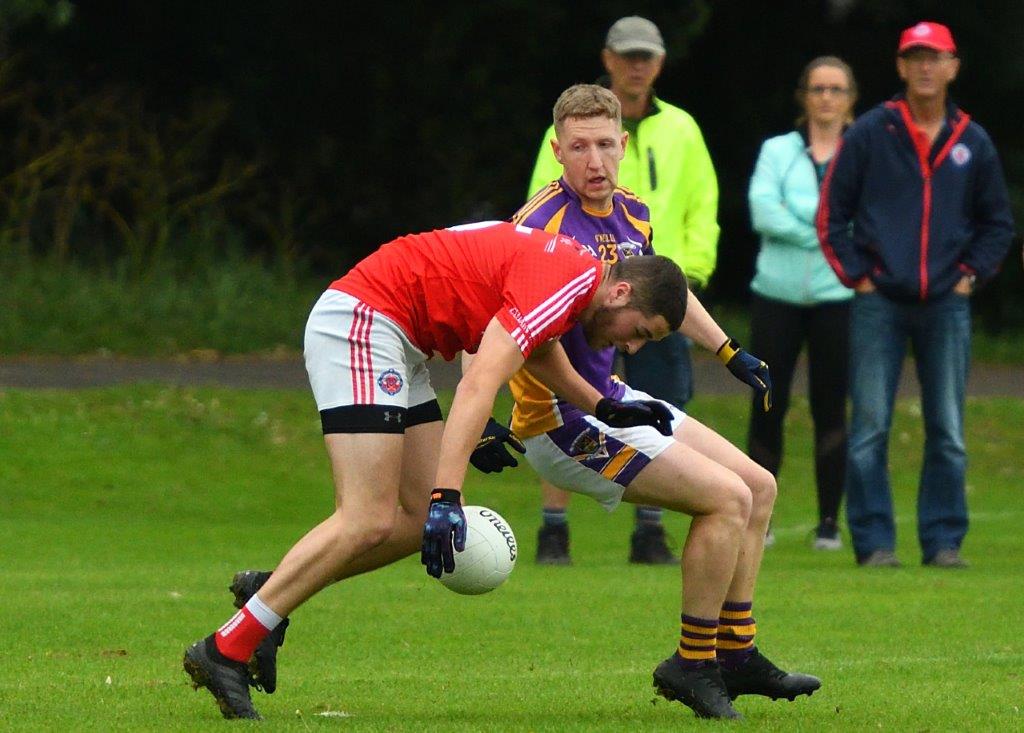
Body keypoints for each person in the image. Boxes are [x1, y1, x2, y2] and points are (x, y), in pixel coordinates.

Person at [182, 220, 690, 719]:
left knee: (413, 522)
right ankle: (225, 649)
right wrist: (449, 493)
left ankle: (269, 595)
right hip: (365, 324)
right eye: (640, 332)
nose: (632, 347)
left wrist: (600, 405)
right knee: (367, 518)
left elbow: (537, 348)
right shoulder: (572, 279)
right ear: (620, 292)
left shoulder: (573, 275)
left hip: (398, 340)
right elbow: (479, 382)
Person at [474, 84, 819, 719]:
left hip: (613, 397)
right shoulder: (537, 226)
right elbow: (492, 322)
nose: (595, 160)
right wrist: (479, 419)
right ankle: (694, 664)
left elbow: (667, 296)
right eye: (579, 147)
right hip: (561, 423)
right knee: (726, 500)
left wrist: (727, 352)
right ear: (557, 151)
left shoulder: (633, 213)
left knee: (759, 486)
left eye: (605, 144)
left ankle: (735, 653)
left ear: (623, 145)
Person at [818, 21, 1015, 568]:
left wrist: (970, 274)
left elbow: (997, 222)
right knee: (871, 425)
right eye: (916, 57)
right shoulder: (872, 131)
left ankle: (944, 542)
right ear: (901, 67)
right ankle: (876, 543)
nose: (926, 67)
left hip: (947, 301)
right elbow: (832, 211)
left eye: (937, 57)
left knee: (948, 427)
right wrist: (856, 273)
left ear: (953, 66)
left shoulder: (972, 140)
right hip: (879, 298)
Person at [526, 15, 720, 564]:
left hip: (660, 300)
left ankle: (651, 530)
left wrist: (687, 279)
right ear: (609, 59)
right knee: (563, 387)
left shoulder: (681, 128)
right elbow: (537, 225)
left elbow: (704, 203)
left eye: (647, 56)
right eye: (628, 55)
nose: (637, 66)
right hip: (583, 304)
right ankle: (554, 529)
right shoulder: (577, 127)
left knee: (660, 406)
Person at [746, 56, 858, 551]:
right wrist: (827, 231)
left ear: (851, 97)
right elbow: (762, 210)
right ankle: (760, 518)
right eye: (818, 88)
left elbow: (870, 218)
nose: (827, 98)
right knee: (768, 400)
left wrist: (814, 229)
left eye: (836, 89)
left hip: (839, 296)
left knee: (831, 406)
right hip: (777, 294)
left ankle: (829, 523)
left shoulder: (863, 151)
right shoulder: (777, 150)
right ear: (804, 96)